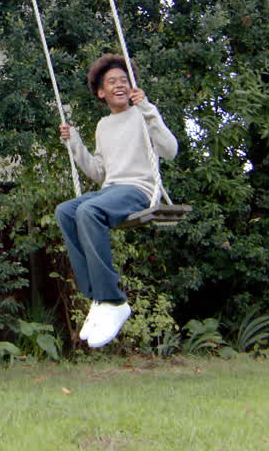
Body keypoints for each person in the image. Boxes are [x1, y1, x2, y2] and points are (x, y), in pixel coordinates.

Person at [58, 53, 178, 348]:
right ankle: (97, 298)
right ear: (101, 92)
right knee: (66, 211)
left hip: (138, 190)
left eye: (124, 80)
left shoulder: (142, 114)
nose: (119, 85)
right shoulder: (103, 126)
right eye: (112, 81)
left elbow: (170, 150)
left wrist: (148, 109)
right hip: (110, 191)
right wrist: (75, 143)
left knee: (88, 210)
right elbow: (99, 172)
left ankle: (113, 300)